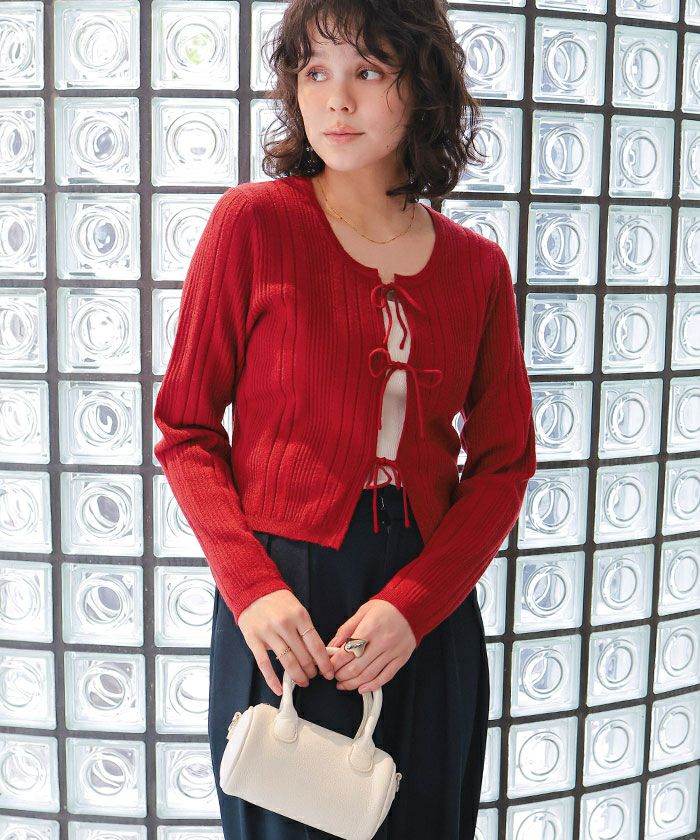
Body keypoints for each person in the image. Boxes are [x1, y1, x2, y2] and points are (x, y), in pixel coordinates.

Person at [153, 1, 537, 837]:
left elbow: (505, 463)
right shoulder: (252, 225)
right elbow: (185, 429)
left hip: (424, 613)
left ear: (421, 87)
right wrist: (252, 589)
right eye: (315, 71)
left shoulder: (477, 268)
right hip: (286, 605)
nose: (335, 99)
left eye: (367, 70)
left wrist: (417, 604)